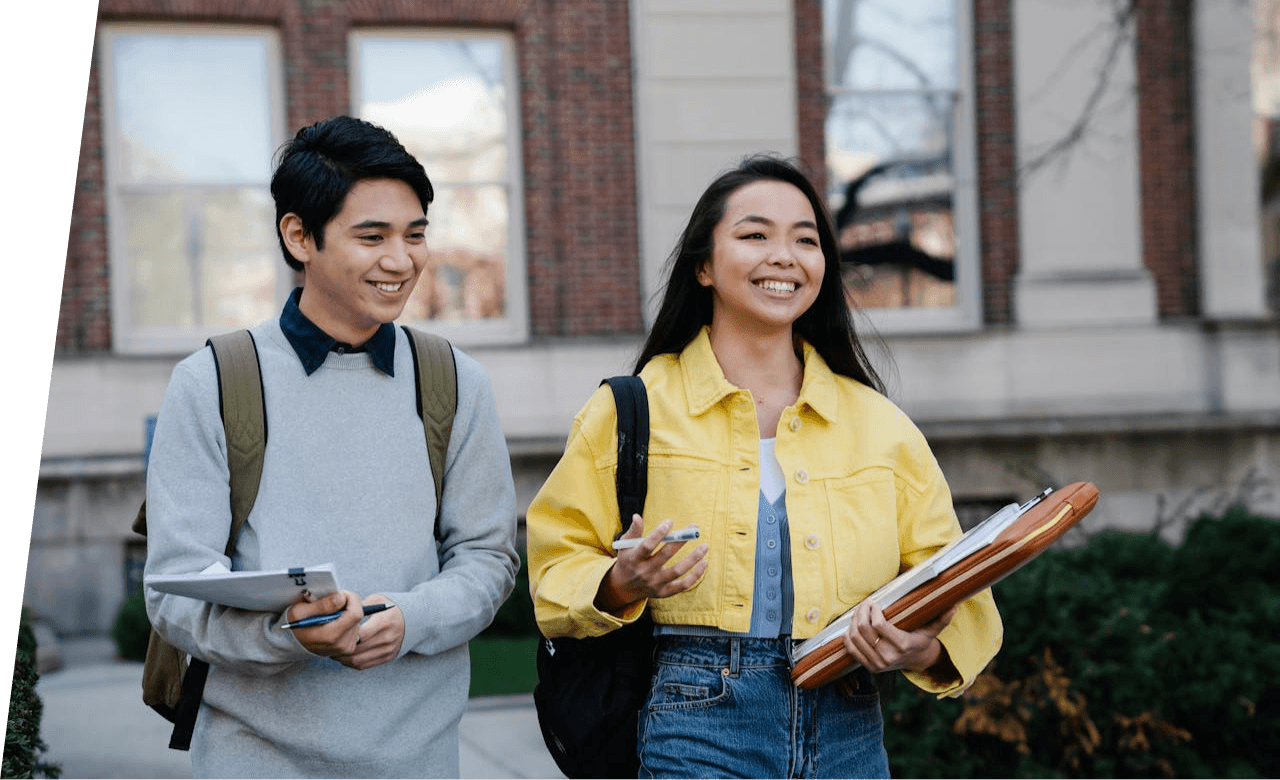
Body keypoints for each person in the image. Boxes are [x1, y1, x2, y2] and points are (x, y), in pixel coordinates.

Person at [525, 155, 1002, 779]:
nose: (785, 256)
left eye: (806, 240)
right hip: (691, 723)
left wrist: (923, 647)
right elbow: (553, 569)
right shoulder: (631, 409)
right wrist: (622, 583)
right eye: (755, 235)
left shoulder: (880, 426)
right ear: (704, 266)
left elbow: (960, 587)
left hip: (850, 724)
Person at [143, 115, 519, 779]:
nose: (401, 261)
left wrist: (411, 618)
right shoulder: (213, 382)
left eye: (415, 235)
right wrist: (286, 631)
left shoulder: (455, 381)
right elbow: (174, 593)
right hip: (251, 757)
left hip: (421, 757)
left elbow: (487, 558)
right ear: (299, 236)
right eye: (371, 237)